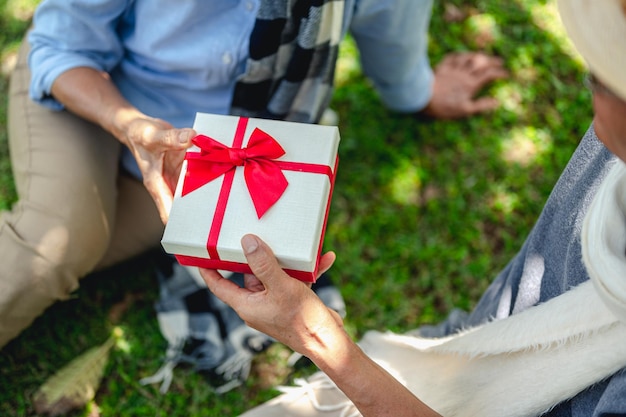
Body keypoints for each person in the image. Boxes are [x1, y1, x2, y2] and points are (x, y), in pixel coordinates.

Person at [0, 0, 506, 390]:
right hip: (89, 92)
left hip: (205, 160)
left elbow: (388, 26)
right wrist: (130, 126)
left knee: (99, 242)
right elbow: (60, 48)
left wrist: (418, 94)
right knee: (57, 247)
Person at [199, 0, 626, 415]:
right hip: (471, 353)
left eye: (602, 79)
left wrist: (315, 337)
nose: (591, 80)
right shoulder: (614, 153)